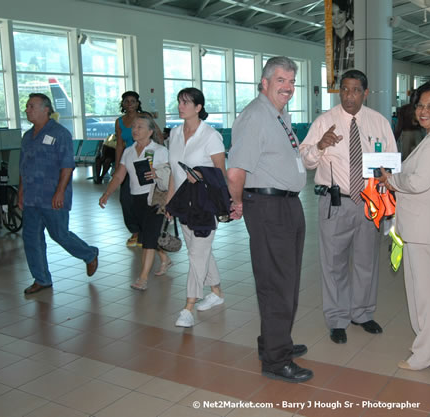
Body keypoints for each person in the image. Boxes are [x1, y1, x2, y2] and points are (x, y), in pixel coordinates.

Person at [227, 56, 312, 383]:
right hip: (268, 206)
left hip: (286, 204)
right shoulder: (255, 117)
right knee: (277, 283)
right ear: (264, 83)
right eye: (281, 80)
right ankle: (277, 361)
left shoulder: (277, 114)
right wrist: (236, 202)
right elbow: (236, 170)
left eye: (291, 81)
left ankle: (276, 342)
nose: (288, 87)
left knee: (286, 280)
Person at [300, 69, 397, 345]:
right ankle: (337, 318)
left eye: (355, 90)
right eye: (344, 89)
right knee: (334, 264)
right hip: (335, 203)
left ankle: (363, 314)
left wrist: (386, 176)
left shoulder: (379, 123)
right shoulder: (324, 122)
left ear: (365, 93)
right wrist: (319, 146)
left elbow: (391, 163)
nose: (349, 95)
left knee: (367, 262)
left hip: (369, 202)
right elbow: (306, 161)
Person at [377, 80, 430, 371]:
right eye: (421, 105)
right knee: (422, 289)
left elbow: (419, 182)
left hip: (424, 228)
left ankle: (427, 353)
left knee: (426, 292)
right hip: (416, 226)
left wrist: (391, 180)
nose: (424, 111)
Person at [19, 93, 99, 295]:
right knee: (31, 238)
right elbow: (23, 167)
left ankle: (88, 253)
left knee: (59, 234)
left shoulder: (59, 133)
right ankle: (41, 279)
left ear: (46, 109)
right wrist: (20, 192)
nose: (27, 110)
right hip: (31, 197)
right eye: (27, 106)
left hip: (53, 195)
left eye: (31, 106)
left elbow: (67, 166)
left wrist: (60, 192)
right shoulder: (27, 136)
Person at [166, 88, 227, 328]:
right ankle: (217, 292)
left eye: (186, 103)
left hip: (204, 203)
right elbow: (174, 171)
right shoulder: (175, 133)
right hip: (183, 203)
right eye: (179, 102)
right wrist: (170, 201)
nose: (181, 106)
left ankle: (188, 306)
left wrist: (201, 174)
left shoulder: (210, 136)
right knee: (198, 251)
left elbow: (220, 173)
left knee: (197, 254)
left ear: (198, 107)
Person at [99, 114, 171, 290]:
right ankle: (165, 258)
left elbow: (171, 176)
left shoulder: (160, 151)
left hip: (156, 198)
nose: (135, 130)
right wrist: (107, 193)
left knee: (148, 238)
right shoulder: (128, 151)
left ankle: (143, 278)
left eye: (140, 127)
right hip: (136, 198)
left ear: (150, 131)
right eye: (134, 127)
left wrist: (158, 176)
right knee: (147, 234)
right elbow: (119, 175)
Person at [115, 91, 143, 247]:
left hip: (144, 161)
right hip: (128, 161)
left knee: (144, 198)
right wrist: (118, 165)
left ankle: (147, 230)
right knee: (125, 199)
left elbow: (157, 136)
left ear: (138, 103)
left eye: (133, 101)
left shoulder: (144, 117)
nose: (130, 104)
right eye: (127, 101)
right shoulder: (119, 122)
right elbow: (119, 145)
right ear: (123, 104)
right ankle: (135, 231)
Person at [330, 0, 354, 90]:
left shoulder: (356, 37)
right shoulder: (331, 40)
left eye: (340, 12)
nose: (336, 18)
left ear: (347, 14)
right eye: (332, 14)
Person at [395, 93, 425, 161]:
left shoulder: (406, 108)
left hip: (412, 132)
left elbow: (399, 125)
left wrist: (395, 137)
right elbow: (400, 124)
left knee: (410, 156)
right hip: (413, 132)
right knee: (415, 155)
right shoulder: (407, 109)